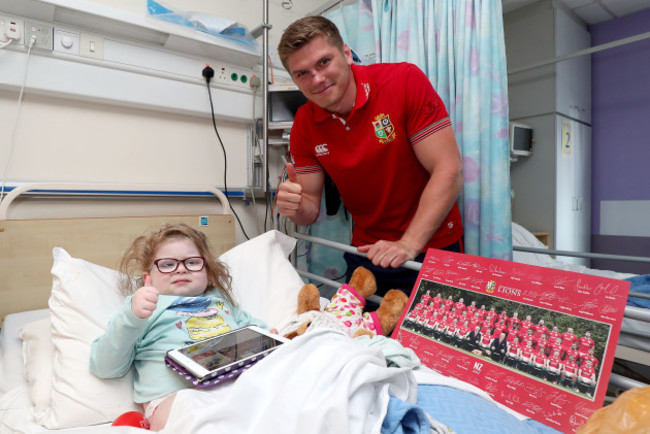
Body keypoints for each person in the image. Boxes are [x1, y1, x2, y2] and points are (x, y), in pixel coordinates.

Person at [276, 16, 464, 305]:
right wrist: (296, 207)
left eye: (324, 62)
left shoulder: (402, 82)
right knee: (362, 341)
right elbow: (310, 211)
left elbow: (448, 169)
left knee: (432, 345)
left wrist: (409, 244)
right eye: (302, 73)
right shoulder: (304, 124)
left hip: (431, 244)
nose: (316, 79)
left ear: (347, 54)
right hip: (368, 250)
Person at [89, 224, 271, 431]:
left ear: (209, 273)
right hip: (176, 397)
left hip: (234, 388)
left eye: (192, 262)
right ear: (147, 279)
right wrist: (132, 316)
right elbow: (105, 367)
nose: (181, 268)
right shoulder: (143, 308)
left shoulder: (221, 303)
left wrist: (272, 338)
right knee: (193, 419)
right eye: (167, 265)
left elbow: (259, 335)